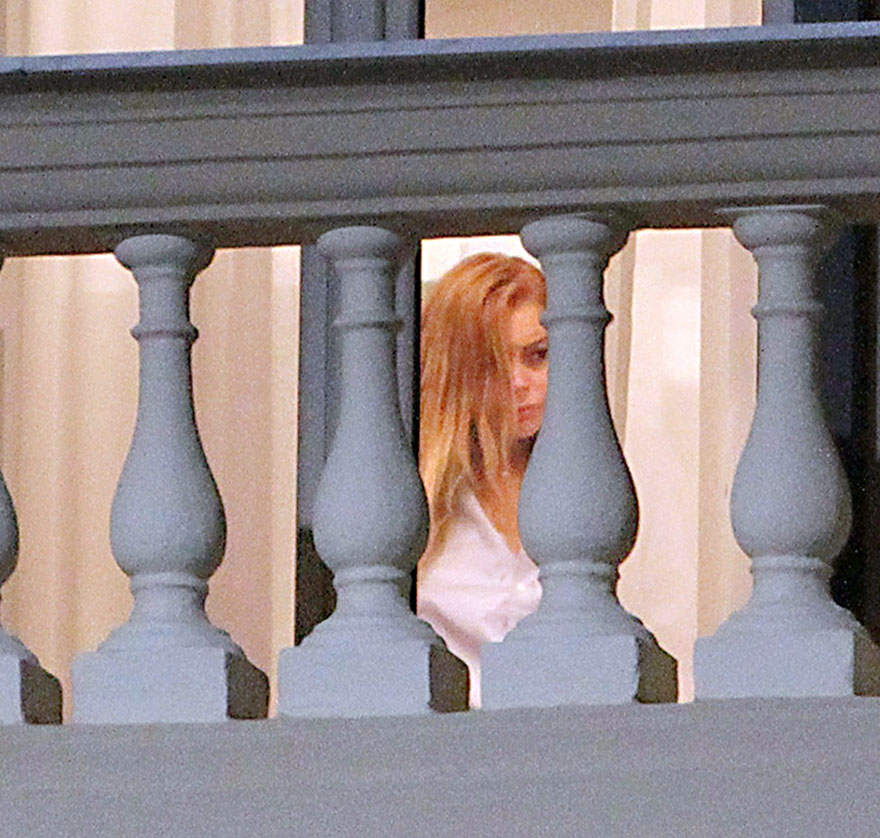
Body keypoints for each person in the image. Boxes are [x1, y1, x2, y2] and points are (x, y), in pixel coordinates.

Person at [417, 252, 548, 708]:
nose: (519, 382)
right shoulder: (422, 499)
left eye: (537, 356)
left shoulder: (584, 494)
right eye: (492, 364)